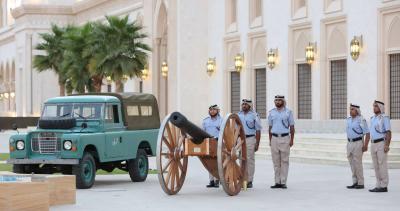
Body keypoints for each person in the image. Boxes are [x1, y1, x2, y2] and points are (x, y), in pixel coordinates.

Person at [268, 95, 295, 189]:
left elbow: (292, 127)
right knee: (276, 162)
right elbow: (270, 127)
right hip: (274, 138)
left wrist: (291, 140)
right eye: (276, 100)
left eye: (279, 100)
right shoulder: (271, 112)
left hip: (284, 138)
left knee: (284, 161)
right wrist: (270, 140)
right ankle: (277, 182)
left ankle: (283, 181)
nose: (278, 102)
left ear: (283, 101)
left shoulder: (288, 112)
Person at [238, 99, 262, 188]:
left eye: (246, 104)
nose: (244, 105)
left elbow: (258, 130)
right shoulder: (238, 115)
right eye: (242, 104)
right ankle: (242, 179)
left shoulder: (254, 115)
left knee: (249, 160)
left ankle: (249, 180)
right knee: (241, 159)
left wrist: (257, 143)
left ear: (250, 106)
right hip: (240, 139)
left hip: (250, 139)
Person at [368, 100, 391, 193]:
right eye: (373, 106)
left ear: (380, 107)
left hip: (381, 143)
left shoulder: (384, 118)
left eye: (376, 106)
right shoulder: (372, 118)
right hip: (373, 143)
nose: (374, 108)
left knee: (382, 165)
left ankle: (384, 185)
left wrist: (387, 145)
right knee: (376, 165)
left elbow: (388, 132)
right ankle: (378, 184)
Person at [346, 104, 370, 189]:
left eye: (352, 109)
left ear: (357, 111)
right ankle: (355, 182)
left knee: (358, 163)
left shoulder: (361, 120)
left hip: (358, 143)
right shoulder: (348, 120)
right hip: (349, 143)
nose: (350, 111)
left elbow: (367, 133)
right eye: (350, 109)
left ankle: (361, 183)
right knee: (352, 163)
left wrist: (365, 145)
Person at [202, 104, 223, 188]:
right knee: (209, 161)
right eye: (210, 110)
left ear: (217, 111)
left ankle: (217, 179)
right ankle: (211, 181)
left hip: (218, 141)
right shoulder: (205, 121)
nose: (212, 111)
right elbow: (202, 131)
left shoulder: (222, 120)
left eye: (214, 109)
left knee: (217, 161)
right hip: (208, 142)